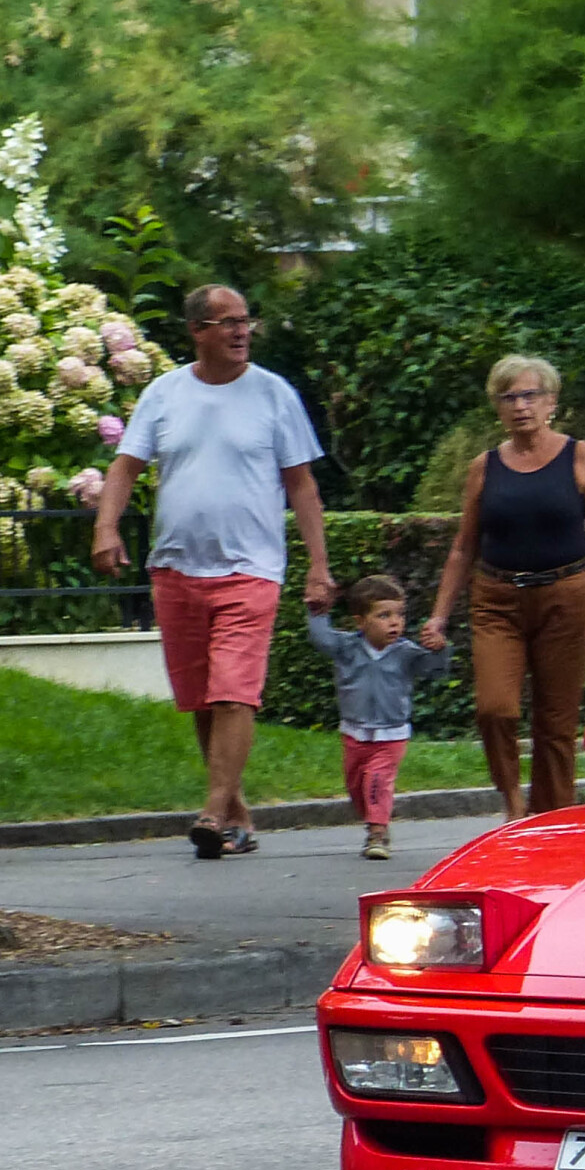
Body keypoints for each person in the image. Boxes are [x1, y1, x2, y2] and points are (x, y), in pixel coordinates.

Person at [92, 284, 333, 859]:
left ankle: (211, 810)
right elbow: (125, 468)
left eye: (246, 320)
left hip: (251, 569)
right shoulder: (164, 394)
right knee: (203, 698)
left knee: (234, 695)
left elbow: (301, 485)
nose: (241, 330)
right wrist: (106, 527)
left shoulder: (275, 395)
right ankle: (235, 813)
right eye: (227, 322)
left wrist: (319, 566)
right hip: (176, 568)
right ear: (197, 331)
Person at [420, 356, 585, 818]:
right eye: (509, 397)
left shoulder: (579, 456)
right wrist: (438, 614)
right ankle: (513, 805)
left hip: (566, 596)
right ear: (498, 407)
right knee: (494, 709)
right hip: (497, 599)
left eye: (530, 395)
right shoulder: (485, 467)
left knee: (555, 724)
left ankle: (549, 822)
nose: (520, 406)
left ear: (551, 402)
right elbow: (463, 547)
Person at [308, 575, 451, 860]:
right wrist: (318, 612)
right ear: (360, 621)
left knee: (377, 779)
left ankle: (377, 833)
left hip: (391, 734)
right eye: (384, 615)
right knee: (356, 786)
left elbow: (434, 671)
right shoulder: (347, 648)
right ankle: (375, 823)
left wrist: (439, 649)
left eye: (399, 615)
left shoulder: (406, 653)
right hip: (355, 733)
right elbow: (321, 638)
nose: (394, 622)